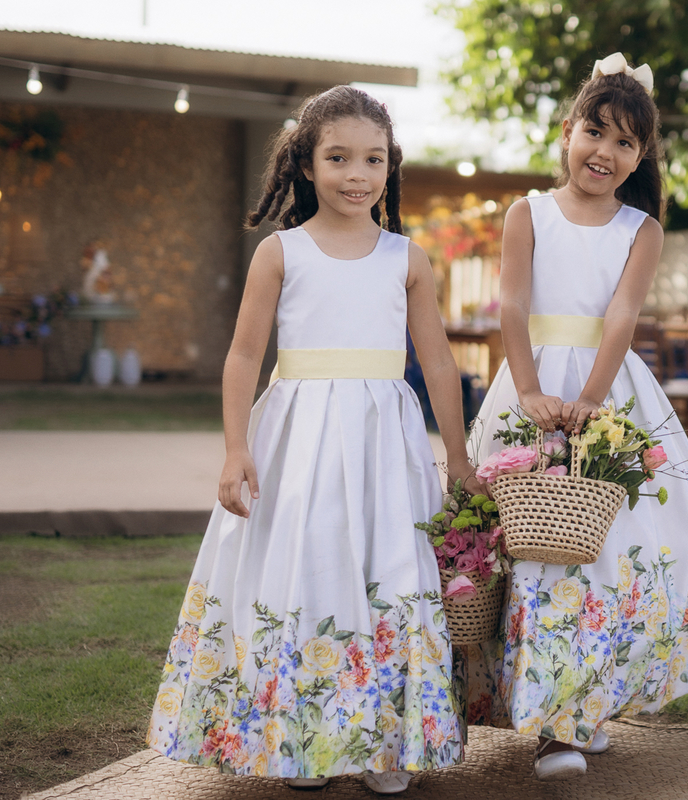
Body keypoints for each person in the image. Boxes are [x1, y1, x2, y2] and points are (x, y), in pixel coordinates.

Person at [145, 86, 481, 796]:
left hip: (385, 445)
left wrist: (456, 456)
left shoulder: (407, 259)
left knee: (392, 574)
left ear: (390, 166)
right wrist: (236, 448)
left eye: (374, 159)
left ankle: (386, 742)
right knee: (307, 571)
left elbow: (439, 363)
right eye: (339, 158)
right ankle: (303, 738)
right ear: (305, 164)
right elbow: (244, 355)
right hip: (298, 440)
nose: (358, 174)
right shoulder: (281, 252)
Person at [459, 53, 688, 781]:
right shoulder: (527, 213)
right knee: (526, 543)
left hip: (610, 392)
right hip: (528, 390)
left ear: (640, 156)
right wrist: (530, 392)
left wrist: (590, 398)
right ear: (567, 131)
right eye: (596, 132)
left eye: (625, 142)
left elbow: (621, 317)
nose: (605, 152)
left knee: (607, 550)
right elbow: (512, 305)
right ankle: (549, 715)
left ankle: (577, 711)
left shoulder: (640, 229)